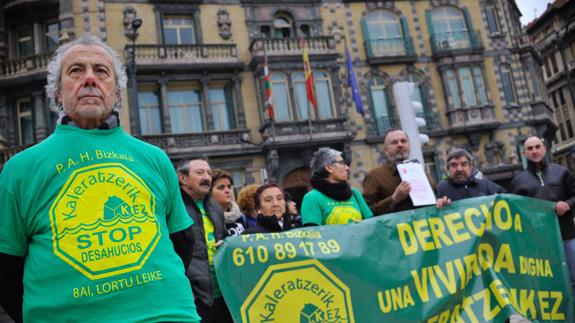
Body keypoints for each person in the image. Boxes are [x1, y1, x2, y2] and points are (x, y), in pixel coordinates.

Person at [0, 34, 200, 322]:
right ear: (57, 93)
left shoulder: (154, 158)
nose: (90, 79)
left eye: (101, 71)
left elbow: (181, 242)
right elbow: (6, 269)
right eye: (76, 70)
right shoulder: (20, 169)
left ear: (117, 93)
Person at [510, 136, 575, 286]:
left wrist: (568, 204)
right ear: (524, 153)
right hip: (538, 243)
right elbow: (514, 213)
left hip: (568, 236)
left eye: (538, 147)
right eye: (530, 148)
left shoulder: (562, 172)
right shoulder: (518, 181)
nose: (535, 151)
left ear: (544, 149)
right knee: (551, 283)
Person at [177, 158, 232, 323]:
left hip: (222, 293)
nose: (207, 177)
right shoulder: (174, 206)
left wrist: (226, 245)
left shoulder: (215, 207)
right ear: (183, 178)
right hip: (194, 298)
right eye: (200, 172)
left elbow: (223, 238)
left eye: (208, 173)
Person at [363, 128, 439, 215]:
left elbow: (435, 197)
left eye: (403, 141)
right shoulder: (374, 176)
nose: (400, 145)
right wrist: (393, 199)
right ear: (385, 150)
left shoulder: (420, 170)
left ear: (409, 145)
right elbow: (367, 212)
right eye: (394, 142)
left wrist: (440, 202)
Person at [301, 147, 372, 226]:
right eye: (342, 163)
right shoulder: (312, 198)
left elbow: (371, 225)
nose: (347, 168)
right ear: (329, 167)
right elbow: (313, 235)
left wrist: (361, 226)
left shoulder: (355, 194)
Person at [435, 147, 505, 207]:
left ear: (470, 167)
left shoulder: (484, 183)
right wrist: (439, 205)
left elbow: (507, 198)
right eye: (454, 165)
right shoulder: (441, 188)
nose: (459, 169)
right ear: (448, 168)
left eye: (464, 164)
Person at [210, 169, 245, 236]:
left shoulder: (241, 217)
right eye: (221, 187)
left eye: (229, 187)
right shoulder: (207, 219)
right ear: (209, 192)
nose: (227, 191)